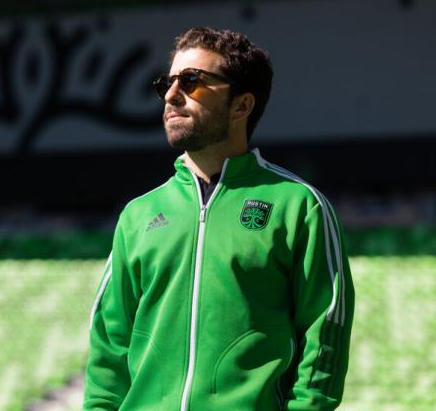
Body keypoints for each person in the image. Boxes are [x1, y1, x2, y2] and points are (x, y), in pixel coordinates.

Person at [83, 27, 354, 410]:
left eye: (192, 81)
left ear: (242, 105)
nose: (172, 96)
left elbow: (325, 332)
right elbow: (108, 347)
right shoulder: (137, 215)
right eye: (167, 83)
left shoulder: (300, 207)